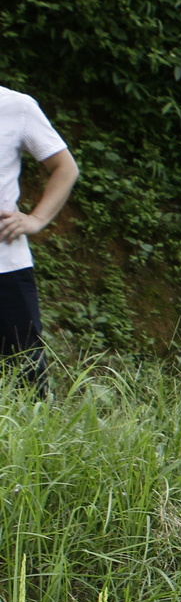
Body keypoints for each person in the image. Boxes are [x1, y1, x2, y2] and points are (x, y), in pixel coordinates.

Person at [0, 86, 77, 395]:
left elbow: (65, 168)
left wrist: (36, 219)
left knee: (25, 380)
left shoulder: (17, 106)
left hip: (6, 268)